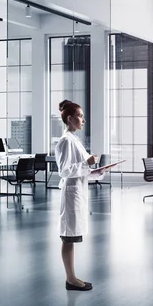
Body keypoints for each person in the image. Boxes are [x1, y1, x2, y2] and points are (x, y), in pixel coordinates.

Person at [55, 100, 104, 291]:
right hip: (71, 194)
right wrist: (87, 163)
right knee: (68, 237)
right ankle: (71, 279)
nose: (83, 119)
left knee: (72, 236)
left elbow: (80, 170)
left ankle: (72, 277)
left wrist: (96, 171)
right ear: (70, 118)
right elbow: (64, 171)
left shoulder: (74, 140)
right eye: (80, 116)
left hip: (78, 192)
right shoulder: (66, 141)